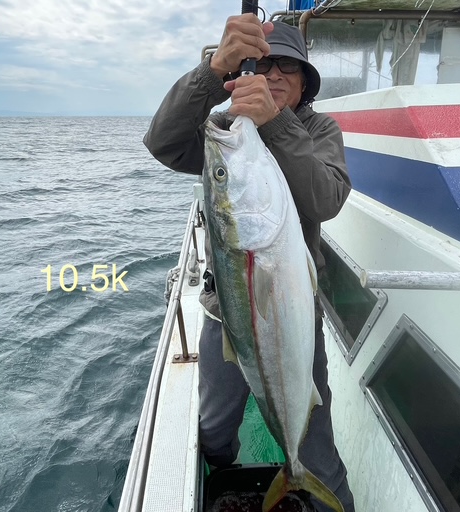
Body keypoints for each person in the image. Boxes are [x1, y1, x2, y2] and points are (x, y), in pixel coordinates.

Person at [144, 15, 354, 512]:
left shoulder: (318, 129)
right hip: (228, 310)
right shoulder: (223, 130)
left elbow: (326, 199)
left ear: (305, 82)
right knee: (215, 427)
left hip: (293, 314)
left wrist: (275, 123)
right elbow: (164, 142)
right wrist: (213, 69)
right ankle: (219, 470)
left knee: (316, 445)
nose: (274, 74)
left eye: (288, 66)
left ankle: (317, 488)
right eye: (264, 64)